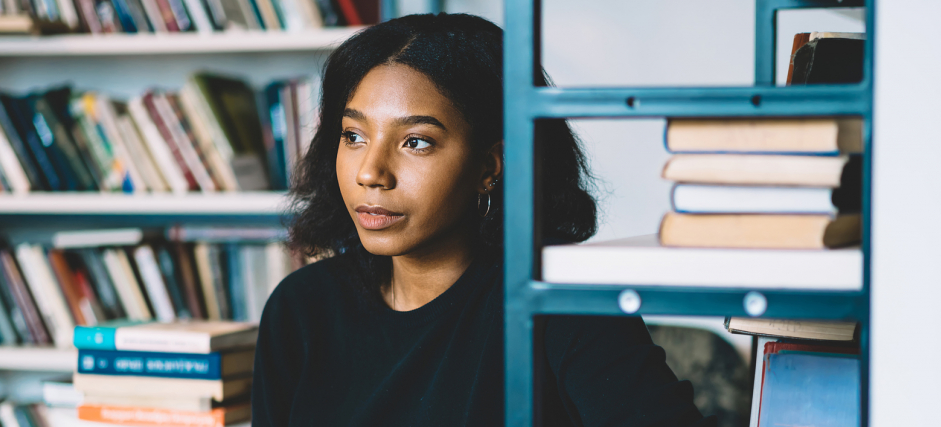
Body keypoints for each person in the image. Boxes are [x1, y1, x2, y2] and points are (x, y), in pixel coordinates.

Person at [252, 13, 714, 426]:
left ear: (490, 167)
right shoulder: (301, 309)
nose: (370, 172)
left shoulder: (562, 306)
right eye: (353, 135)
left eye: (416, 142)